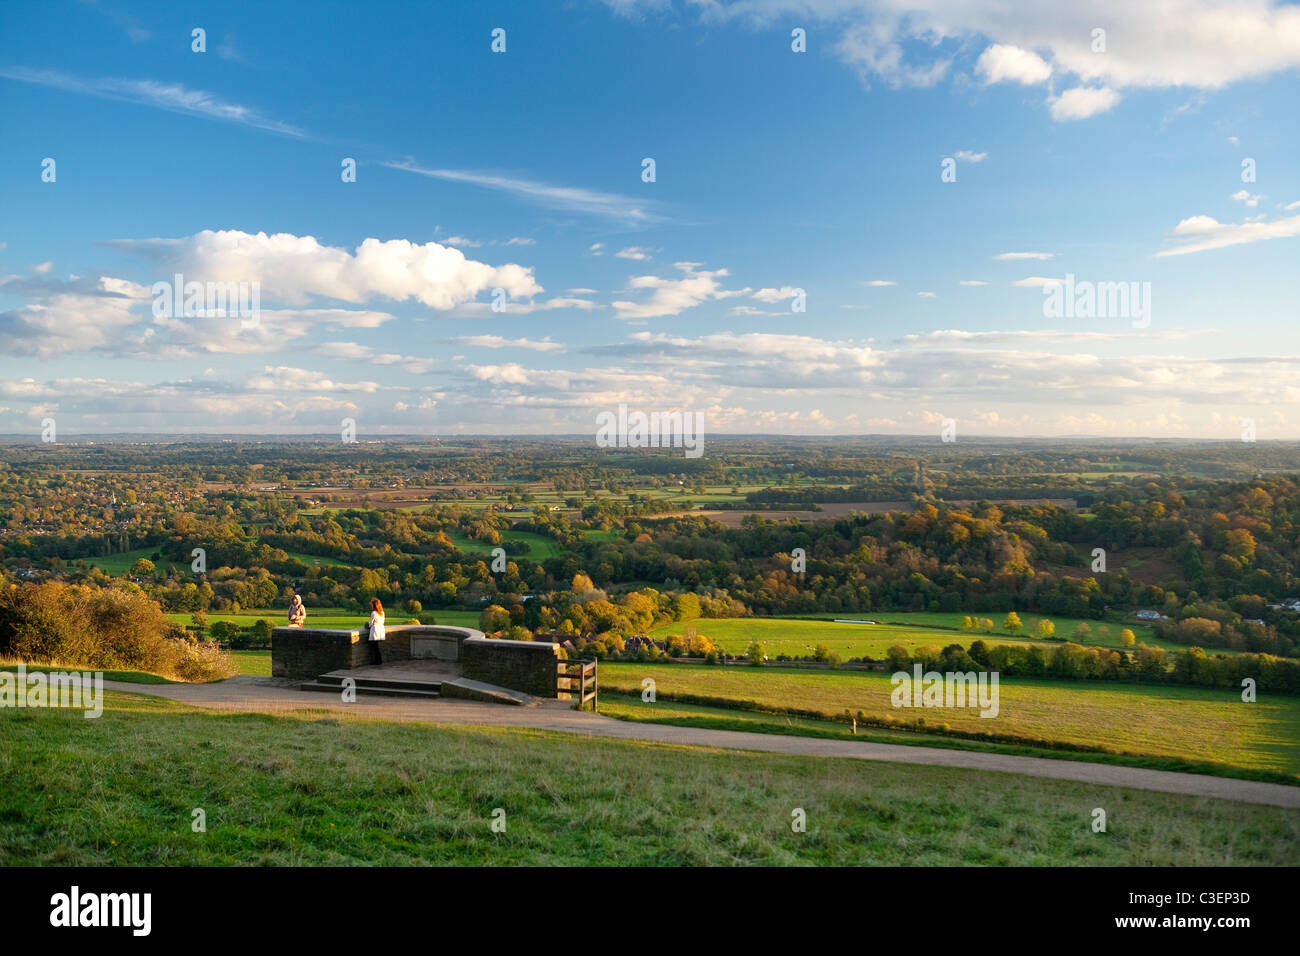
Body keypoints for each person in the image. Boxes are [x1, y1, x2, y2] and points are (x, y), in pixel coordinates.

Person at [366, 597, 385, 664]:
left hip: (375, 630)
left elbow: (371, 624)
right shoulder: (382, 612)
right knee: (376, 647)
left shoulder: (373, 613)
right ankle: (378, 660)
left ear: (374, 605)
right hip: (380, 630)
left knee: (374, 647)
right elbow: (382, 622)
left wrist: (367, 625)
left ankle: (377, 661)